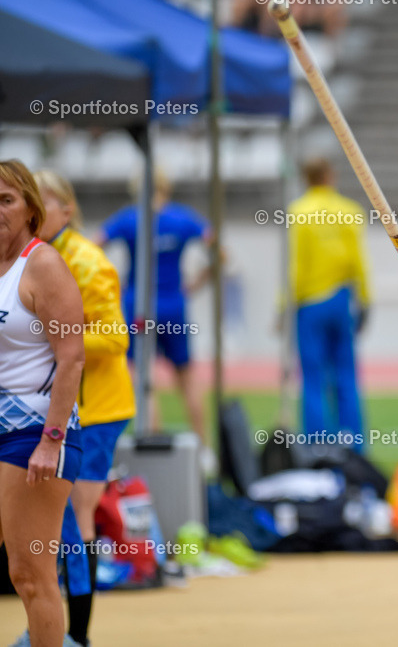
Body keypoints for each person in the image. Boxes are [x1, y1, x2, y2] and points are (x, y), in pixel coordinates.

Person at [34, 171, 135, 647]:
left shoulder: (89, 262)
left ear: (67, 209)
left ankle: (76, 634)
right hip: (56, 409)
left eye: (42, 202)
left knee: (74, 519)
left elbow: (117, 337)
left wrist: (56, 338)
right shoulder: (30, 258)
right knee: (51, 522)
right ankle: (56, 631)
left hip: (96, 411)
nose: (31, 212)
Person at [0, 160, 85, 647]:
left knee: (31, 574)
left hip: (35, 433)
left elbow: (72, 357)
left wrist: (51, 440)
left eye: (6, 200)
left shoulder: (43, 264)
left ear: (31, 210)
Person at [97, 169, 212, 463]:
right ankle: (204, 449)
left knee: (144, 380)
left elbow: (95, 244)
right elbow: (220, 251)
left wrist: (113, 283)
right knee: (185, 376)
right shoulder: (183, 218)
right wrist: (198, 282)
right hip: (174, 304)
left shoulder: (129, 218)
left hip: (140, 307)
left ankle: (153, 444)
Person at [288, 157, 371, 444]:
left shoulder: (299, 212)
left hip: (310, 302)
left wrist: (282, 305)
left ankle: (317, 446)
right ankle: (354, 445)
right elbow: (358, 262)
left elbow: (296, 266)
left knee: (312, 378)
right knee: (346, 377)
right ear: (329, 175)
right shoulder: (349, 211)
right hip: (341, 298)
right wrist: (365, 299)